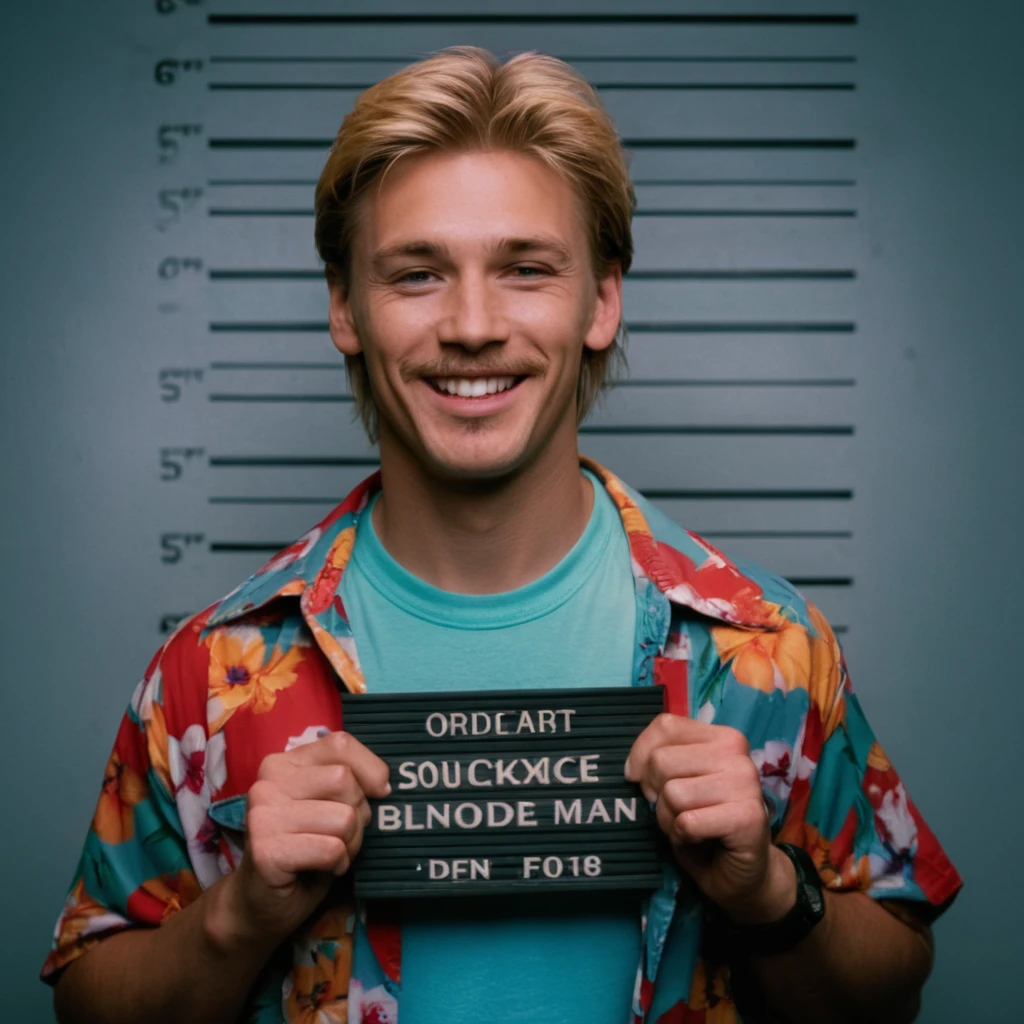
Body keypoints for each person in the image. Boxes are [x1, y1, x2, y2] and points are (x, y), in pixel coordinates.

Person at [43, 47, 961, 1024]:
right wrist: (238, 915)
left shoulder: (768, 651)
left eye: (525, 269)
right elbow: (87, 998)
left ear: (600, 300)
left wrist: (767, 892)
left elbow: (894, 988)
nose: (472, 324)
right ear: (343, 308)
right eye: (416, 273)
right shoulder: (209, 672)